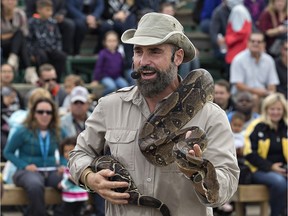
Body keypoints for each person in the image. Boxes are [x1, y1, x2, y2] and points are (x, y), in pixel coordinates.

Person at [68, 12, 239, 216]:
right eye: (138, 51)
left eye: (155, 51)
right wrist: (90, 178)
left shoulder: (210, 115)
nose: (143, 61)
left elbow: (227, 184)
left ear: (178, 57)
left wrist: (199, 174)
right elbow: (78, 155)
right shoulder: (109, 106)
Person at [3, 97, 67, 216]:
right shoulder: (22, 131)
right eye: (40, 112)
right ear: (33, 114)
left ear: (53, 115)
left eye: (48, 112)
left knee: (68, 181)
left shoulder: (58, 131)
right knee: (35, 185)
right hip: (27, 171)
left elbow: (66, 150)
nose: (44, 115)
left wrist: (63, 164)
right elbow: (8, 152)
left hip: (51, 170)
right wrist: (24, 165)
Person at [244, 92, 287, 216]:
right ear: (266, 109)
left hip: (283, 169)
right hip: (259, 170)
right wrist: (271, 167)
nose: (275, 112)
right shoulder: (257, 126)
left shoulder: (286, 127)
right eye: (272, 109)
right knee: (279, 182)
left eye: (278, 109)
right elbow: (249, 153)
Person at [230, 31, 279, 113]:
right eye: (253, 41)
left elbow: (272, 85)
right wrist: (259, 92)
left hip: (263, 94)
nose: (255, 44)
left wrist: (271, 94)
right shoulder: (238, 59)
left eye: (259, 42)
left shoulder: (269, 60)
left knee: (276, 99)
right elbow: (239, 85)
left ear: (264, 44)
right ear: (247, 43)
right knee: (255, 98)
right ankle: (255, 124)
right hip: (241, 95)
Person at [27, 0, 67, 81]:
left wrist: (57, 49)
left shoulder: (53, 22)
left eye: (51, 10)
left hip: (51, 48)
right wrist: (31, 53)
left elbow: (58, 38)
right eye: (47, 10)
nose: (50, 13)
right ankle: (43, 79)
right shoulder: (32, 22)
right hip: (38, 49)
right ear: (39, 10)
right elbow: (29, 39)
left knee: (61, 56)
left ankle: (56, 79)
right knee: (42, 56)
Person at [1, 0, 38, 84]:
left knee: (20, 35)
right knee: (19, 36)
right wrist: (12, 34)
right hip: (2, 45)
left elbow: (24, 32)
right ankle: (29, 70)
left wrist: (10, 35)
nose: (10, 2)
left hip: (16, 45)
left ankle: (13, 57)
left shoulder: (20, 14)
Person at [91, 30, 129, 96]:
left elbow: (122, 67)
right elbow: (98, 66)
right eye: (109, 41)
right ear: (105, 42)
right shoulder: (103, 53)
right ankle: (101, 97)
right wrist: (95, 79)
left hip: (117, 77)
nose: (112, 43)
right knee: (111, 87)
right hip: (105, 77)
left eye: (114, 41)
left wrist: (122, 76)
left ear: (117, 42)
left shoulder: (119, 54)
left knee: (125, 86)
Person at [58, 136, 89, 216]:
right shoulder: (74, 164)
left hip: (73, 197)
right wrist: (64, 169)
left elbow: (73, 178)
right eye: (65, 151)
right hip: (80, 196)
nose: (68, 153)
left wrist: (62, 184)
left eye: (71, 150)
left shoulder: (74, 164)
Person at [224, 0, 252, 80]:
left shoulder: (237, 11)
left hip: (235, 53)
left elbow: (241, 33)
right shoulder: (242, 9)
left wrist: (227, 39)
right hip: (240, 51)